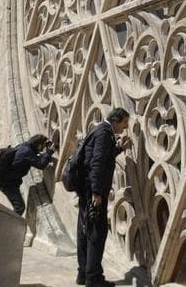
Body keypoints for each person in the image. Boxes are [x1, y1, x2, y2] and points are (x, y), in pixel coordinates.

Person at [75, 108, 132, 287]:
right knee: (96, 234)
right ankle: (94, 279)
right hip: (93, 191)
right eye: (125, 123)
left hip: (87, 188)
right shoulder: (104, 132)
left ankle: (83, 274)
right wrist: (97, 192)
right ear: (117, 120)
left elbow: (102, 156)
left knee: (84, 231)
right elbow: (97, 162)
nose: (126, 127)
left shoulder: (99, 129)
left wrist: (120, 148)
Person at [0, 133, 55, 215]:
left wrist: (45, 153)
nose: (42, 149)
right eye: (42, 146)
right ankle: (9, 224)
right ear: (39, 145)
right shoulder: (27, 152)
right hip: (8, 184)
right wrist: (49, 152)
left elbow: (34, 157)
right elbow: (41, 164)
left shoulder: (25, 145)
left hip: (8, 179)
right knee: (20, 208)